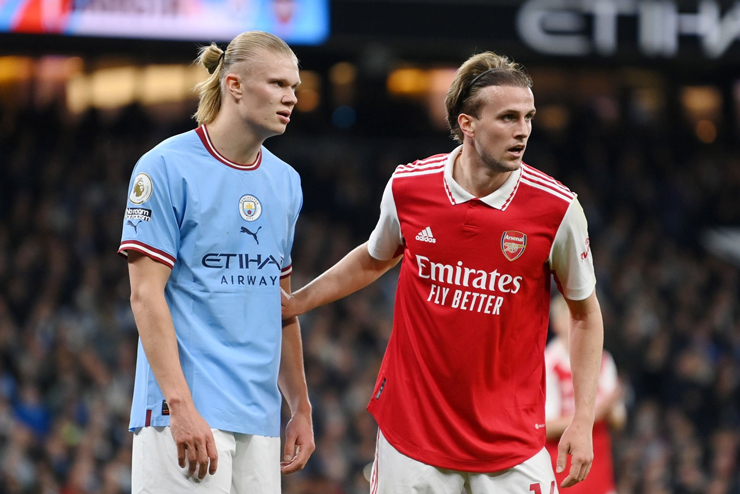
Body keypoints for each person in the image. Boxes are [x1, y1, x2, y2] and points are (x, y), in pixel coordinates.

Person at [282, 51, 604, 493]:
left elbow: (585, 313)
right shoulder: (409, 186)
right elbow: (375, 257)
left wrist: (583, 418)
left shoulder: (557, 209)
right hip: (412, 436)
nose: (523, 130)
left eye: (528, 117)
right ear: (467, 123)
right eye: (508, 117)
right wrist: (299, 301)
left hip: (511, 442)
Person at [118, 31, 314, 493]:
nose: (291, 98)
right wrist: (179, 406)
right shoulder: (164, 167)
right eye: (278, 84)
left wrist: (300, 405)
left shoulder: (286, 182)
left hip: (259, 418)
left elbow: (280, 304)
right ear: (234, 85)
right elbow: (145, 295)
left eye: (294, 87)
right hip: (186, 413)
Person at [545, 294, 626, 494]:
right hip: (561, 469)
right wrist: (597, 412)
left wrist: (607, 410)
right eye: (571, 316)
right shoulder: (547, 363)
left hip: (599, 467)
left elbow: (618, 420)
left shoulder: (603, 360)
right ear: (556, 324)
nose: (578, 321)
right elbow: (545, 428)